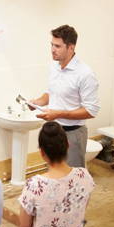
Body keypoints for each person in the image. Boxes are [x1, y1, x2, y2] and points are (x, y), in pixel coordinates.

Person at [18, 122, 94, 227]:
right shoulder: (84, 176)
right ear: (67, 145)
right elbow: (82, 208)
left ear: (41, 152)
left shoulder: (34, 185)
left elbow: (24, 225)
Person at [30, 25, 100, 167]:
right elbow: (51, 93)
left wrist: (58, 114)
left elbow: (91, 111)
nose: (52, 49)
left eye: (57, 46)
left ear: (71, 48)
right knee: (55, 175)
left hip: (73, 134)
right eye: (51, 45)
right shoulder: (54, 66)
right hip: (53, 131)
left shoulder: (85, 74)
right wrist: (37, 102)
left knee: (72, 179)